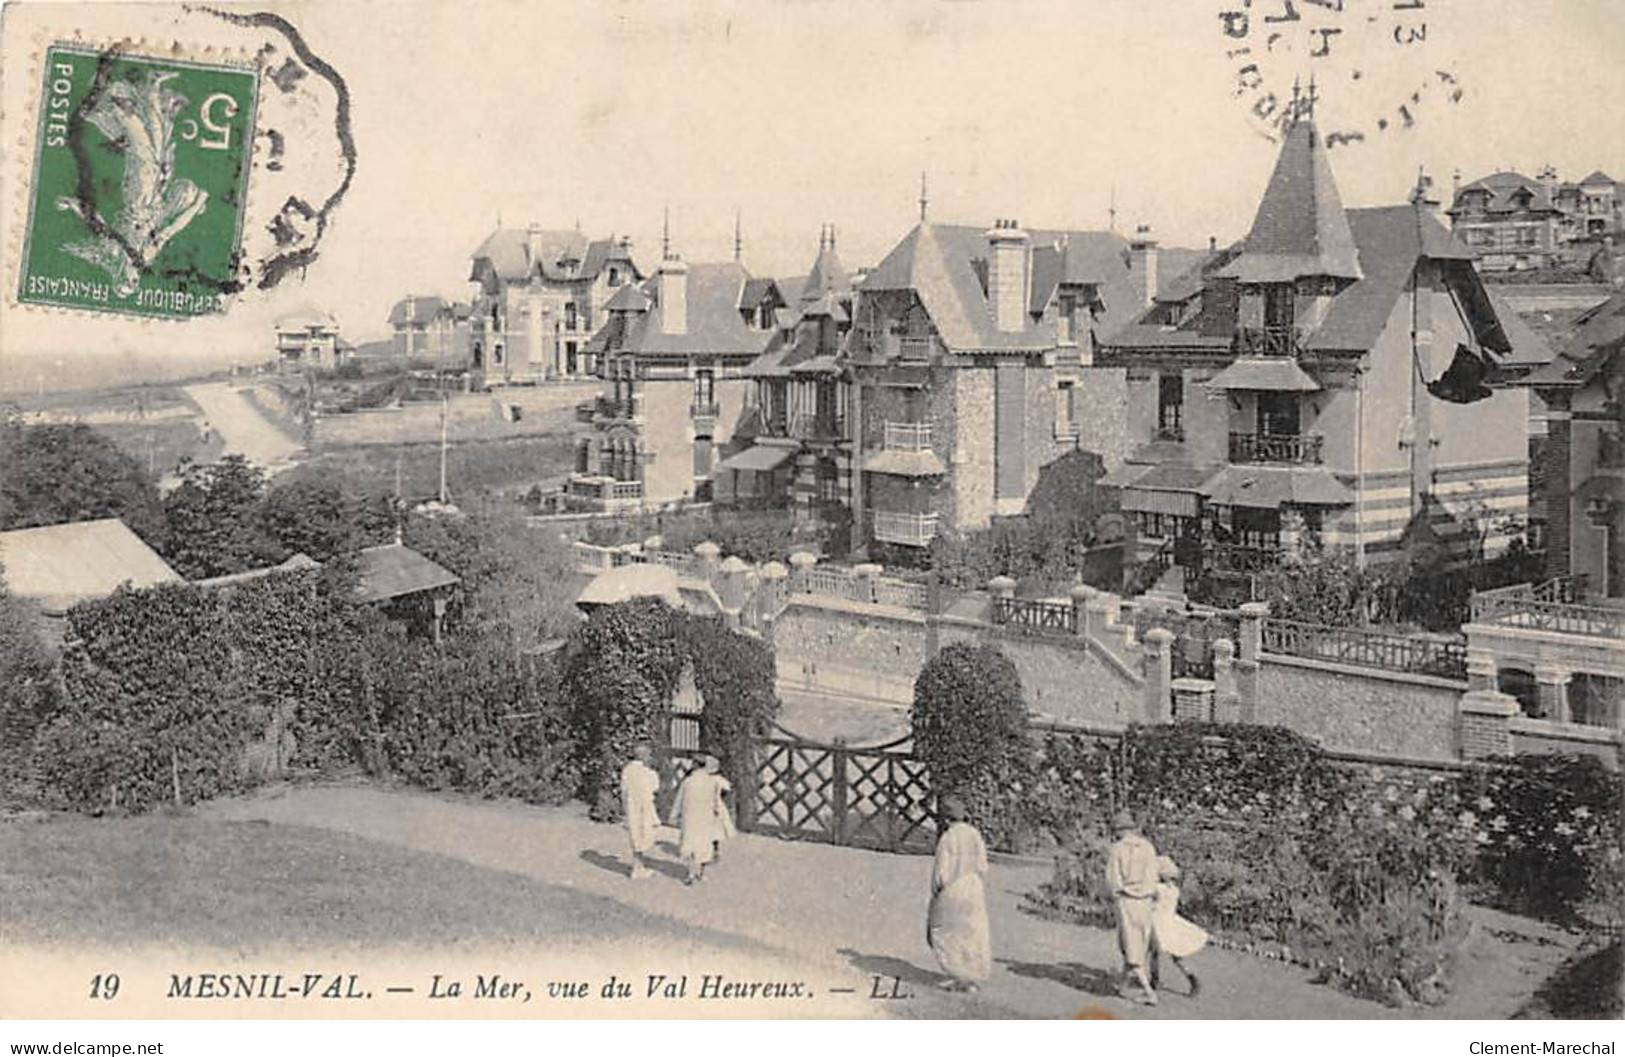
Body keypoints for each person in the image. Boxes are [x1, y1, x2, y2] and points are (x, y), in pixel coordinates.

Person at [927, 796, 992, 993]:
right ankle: (971, 977)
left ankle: (957, 976)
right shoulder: (974, 835)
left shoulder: (948, 838)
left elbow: (941, 871)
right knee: (972, 930)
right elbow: (982, 865)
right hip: (973, 886)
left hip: (952, 888)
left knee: (948, 931)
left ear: (946, 819)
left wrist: (935, 891)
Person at [1104, 808, 1160, 1005]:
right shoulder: (1148, 848)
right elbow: (1153, 876)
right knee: (1136, 943)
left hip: (1127, 901)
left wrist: (1116, 894)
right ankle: (1123, 984)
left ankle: (1148, 992)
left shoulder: (1117, 849)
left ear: (1120, 830)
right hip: (1145, 902)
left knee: (1130, 945)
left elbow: (1113, 878)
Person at [672, 754, 735, 885]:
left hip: (690, 816)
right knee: (704, 844)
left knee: (690, 842)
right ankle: (701, 873)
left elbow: (679, 799)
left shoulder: (687, 781)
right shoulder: (712, 782)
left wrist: (674, 815)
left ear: (695, 765)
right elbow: (716, 799)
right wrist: (719, 813)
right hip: (706, 817)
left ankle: (690, 874)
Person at [1151, 856, 1208, 997]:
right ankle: (1191, 977)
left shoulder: (1158, 889)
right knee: (1175, 956)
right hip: (1170, 922)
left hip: (1158, 923)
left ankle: (1155, 980)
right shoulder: (1174, 890)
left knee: (1153, 953)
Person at [618, 744, 661, 880]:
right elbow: (655, 788)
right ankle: (638, 868)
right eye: (648, 755)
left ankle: (638, 866)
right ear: (643, 756)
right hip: (645, 807)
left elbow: (624, 790)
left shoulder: (627, 770)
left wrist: (624, 808)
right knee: (645, 834)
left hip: (631, 806)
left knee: (635, 834)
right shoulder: (647, 772)